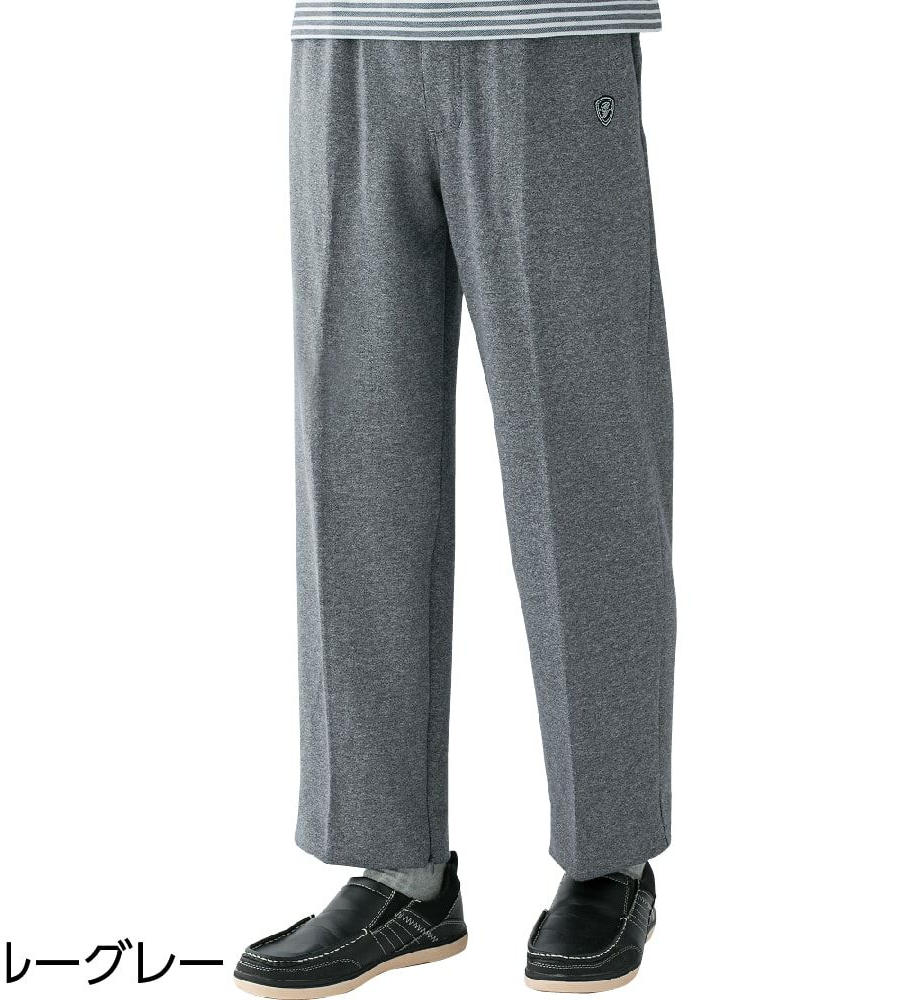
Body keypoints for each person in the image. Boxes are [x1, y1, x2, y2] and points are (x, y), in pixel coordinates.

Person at [235, 1, 674, 995]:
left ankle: (611, 858)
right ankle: (397, 873)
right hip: (351, 39)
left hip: (547, 39)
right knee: (355, 459)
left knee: (587, 461)